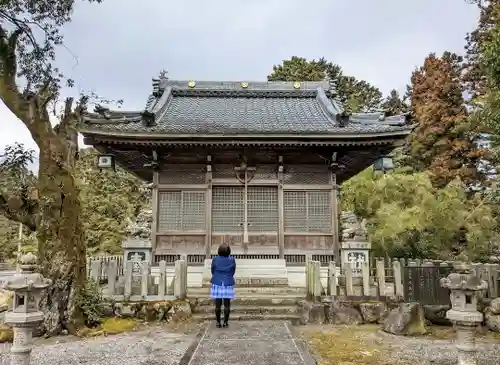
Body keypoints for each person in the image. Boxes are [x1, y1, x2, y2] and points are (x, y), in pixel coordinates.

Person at [210, 243, 236, 328]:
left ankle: (218, 322)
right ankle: (225, 322)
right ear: (229, 251)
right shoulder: (232, 260)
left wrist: (217, 276)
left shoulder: (215, 259)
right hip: (227, 282)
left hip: (217, 282)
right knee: (227, 304)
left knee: (217, 304)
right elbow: (233, 271)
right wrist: (228, 276)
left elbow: (212, 270)